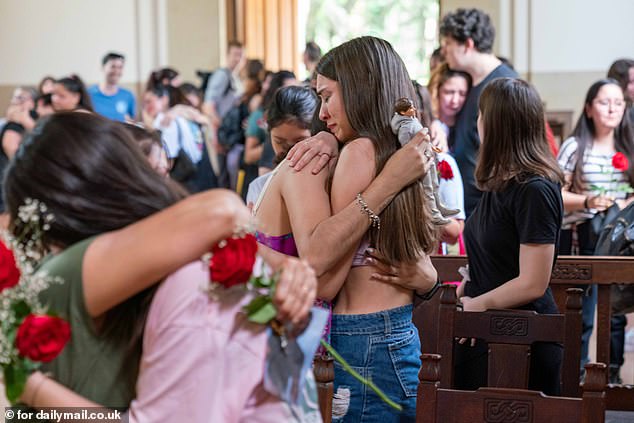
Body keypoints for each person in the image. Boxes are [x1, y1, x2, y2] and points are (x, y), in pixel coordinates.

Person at [7, 112, 319, 421]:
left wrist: (31, 388)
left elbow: (222, 211)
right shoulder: (67, 275)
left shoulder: (195, 280)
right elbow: (221, 210)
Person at [256, 36, 439, 421]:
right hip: (397, 333)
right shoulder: (400, 150)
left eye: (327, 96)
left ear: (359, 87)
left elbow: (319, 263)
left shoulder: (360, 152)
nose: (321, 113)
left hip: (363, 337)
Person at [454, 77, 565, 395]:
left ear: (496, 123)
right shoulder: (499, 181)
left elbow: (533, 282)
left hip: (522, 336)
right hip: (485, 327)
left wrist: (479, 304)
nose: (477, 123)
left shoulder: (535, 189)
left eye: (480, 114)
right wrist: (467, 287)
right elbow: (493, 256)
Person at [557, 79, 634, 382]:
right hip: (582, 238)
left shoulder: (628, 144)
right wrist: (589, 200)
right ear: (589, 108)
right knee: (582, 315)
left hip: (620, 243)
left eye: (618, 102)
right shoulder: (575, 146)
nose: (613, 108)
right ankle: (575, 377)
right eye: (604, 102)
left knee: (616, 314)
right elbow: (555, 194)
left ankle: (610, 377)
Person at [440, 8, 518, 216]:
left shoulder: (504, 84)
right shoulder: (471, 83)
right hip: (470, 207)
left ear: (467, 44)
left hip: (490, 207)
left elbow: (511, 157)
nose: (443, 51)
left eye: (448, 44)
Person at [246, 85, 315, 208]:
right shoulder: (260, 187)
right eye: (280, 142)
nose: (289, 151)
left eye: (299, 142)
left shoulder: (330, 180)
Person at [88, 52, 136, 122]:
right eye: (113, 66)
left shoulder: (128, 95)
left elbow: (132, 121)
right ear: (102, 68)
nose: (116, 71)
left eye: (120, 67)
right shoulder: (89, 94)